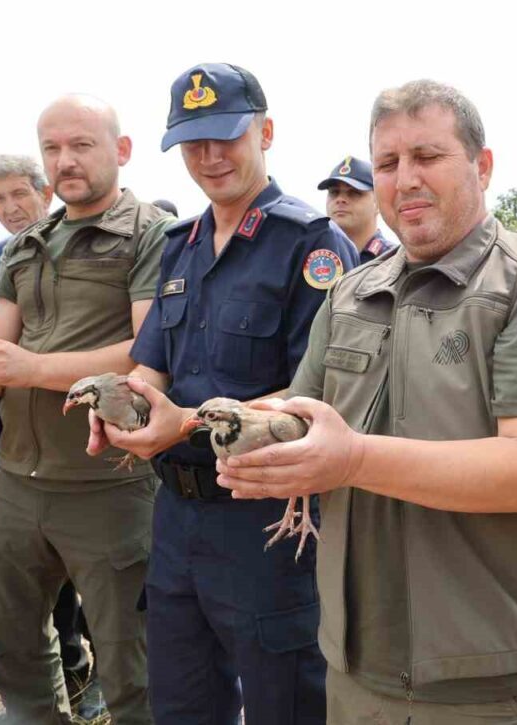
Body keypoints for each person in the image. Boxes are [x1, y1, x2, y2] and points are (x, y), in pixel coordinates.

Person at [215, 79, 517, 723]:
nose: (405, 179)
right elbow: (301, 409)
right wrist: (204, 420)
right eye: (388, 164)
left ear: (482, 166)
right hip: (357, 655)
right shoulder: (349, 293)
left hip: (478, 669)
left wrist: (351, 459)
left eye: (427, 157)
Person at [86, 62, 356, 724]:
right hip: (177, 523)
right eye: (193, 142)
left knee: (283, 703)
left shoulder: (312, 246)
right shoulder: (180, 245)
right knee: (182, 704)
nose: (209, 156)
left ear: (265, 131)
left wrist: (183, 424)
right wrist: (121, 405)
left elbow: (318, 393)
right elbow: (150, 365)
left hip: (267, 521)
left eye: (226, 137)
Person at [0, 95, 170, 724]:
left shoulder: (154, 235)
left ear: (122, 150)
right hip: (18, 479)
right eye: (52, 148)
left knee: (130, 665)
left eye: (82, 145)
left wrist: (27, 368)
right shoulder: (28, 244)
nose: (66, 161)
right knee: (1, 644)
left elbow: (145, 353)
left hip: (108, 482)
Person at [0, 154, 103, 718]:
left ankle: (89, 682)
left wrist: (23, 367)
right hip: (22, 460)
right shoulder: (6, 257)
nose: (10, 208)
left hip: (99, 466)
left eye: (18, 194)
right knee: (12, 622)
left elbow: (145, 357)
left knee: (119, 625)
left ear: (44, 190)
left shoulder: (136, 234)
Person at [317, 156, 394, 262]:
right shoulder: (317, 258)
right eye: (334, 192)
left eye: (354, 193)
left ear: (377, 203)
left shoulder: (393, 260)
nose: (340, 199)